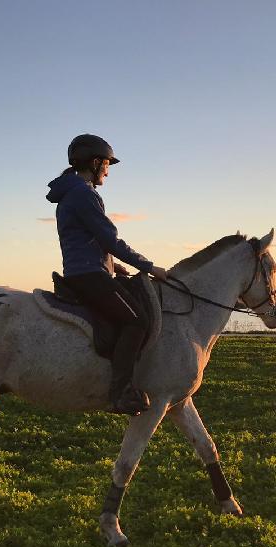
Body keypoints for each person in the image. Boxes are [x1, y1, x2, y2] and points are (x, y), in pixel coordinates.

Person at [46, 134, 167, 415]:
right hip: (89, 275)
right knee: (137, 321)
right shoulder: (84, 194)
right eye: (107, 165)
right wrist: (149, 267)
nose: (108, 171)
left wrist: (114, 266)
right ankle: (120, 393)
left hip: (86, 271)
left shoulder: (72, 192)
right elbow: (111, 240)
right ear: (96, 162)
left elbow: (93, 241)